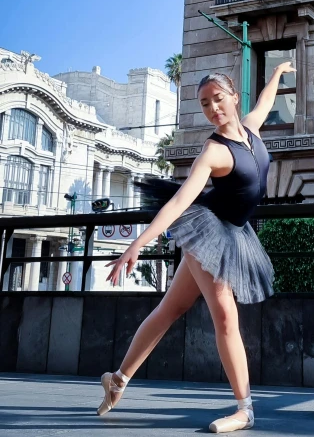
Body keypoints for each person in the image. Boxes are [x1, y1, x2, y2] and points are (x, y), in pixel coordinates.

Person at [98, 63, 295, 433]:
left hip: (235, 233)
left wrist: (278, 73)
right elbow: (178, 204)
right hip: (210, 232)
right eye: (204, 103)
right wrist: (137, 244)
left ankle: (119, 378)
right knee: (225, 317)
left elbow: (266, 103)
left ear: (235, 98)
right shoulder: (213, 151)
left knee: (171, 307)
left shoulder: (251, 129)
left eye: (218, 99)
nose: (212, 108)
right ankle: (245, 408)